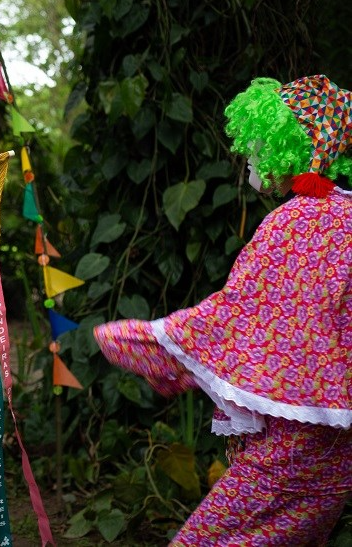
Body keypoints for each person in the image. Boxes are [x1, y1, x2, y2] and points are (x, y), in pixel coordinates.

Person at [94, 75, 352, 545]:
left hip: (292, 441)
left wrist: (149, 342)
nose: (249, 159)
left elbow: (236, 316)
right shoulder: (346, 215)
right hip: (339, 446)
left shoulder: (292, 223)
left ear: (286, 145)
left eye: (256, 146)